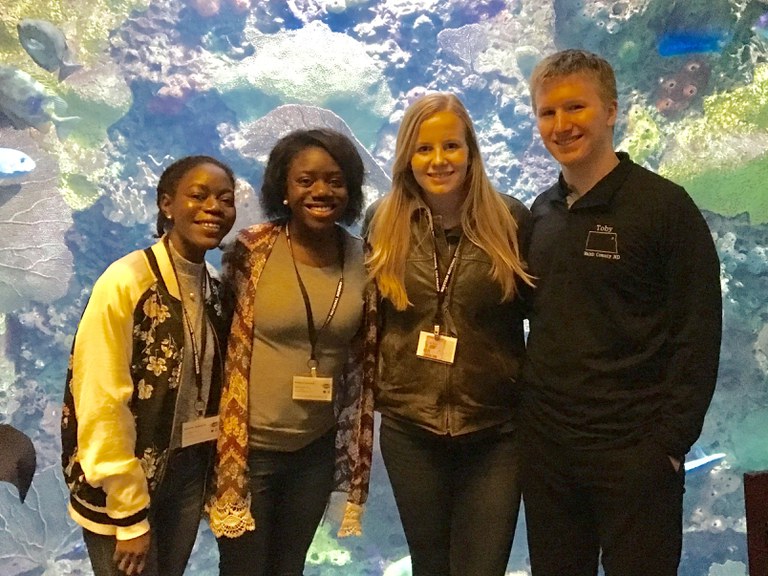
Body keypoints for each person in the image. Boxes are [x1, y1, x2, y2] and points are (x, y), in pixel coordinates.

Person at [520, 49, 722, 576]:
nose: (561, 125)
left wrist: (669, 446)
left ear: (611, 110)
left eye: (575, 108)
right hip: (549, 459)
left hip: (637, 457)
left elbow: (698, 333)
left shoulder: (665, 208)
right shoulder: (540, 214)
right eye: (547, 113)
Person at [364, 92, 534, 576]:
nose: (438, 161)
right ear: (407, 156)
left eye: (451, 147)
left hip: (495, 430)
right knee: (431, 566)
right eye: (424, 149)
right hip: (410, 427)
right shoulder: (383, 222)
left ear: (471, 151)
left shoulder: (510, 220)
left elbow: (541, 317)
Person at [208, 128, 375, 576]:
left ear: (351, 190)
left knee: (289, 569)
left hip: (314, 453)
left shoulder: (365, 260)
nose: (321, 191)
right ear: (283, 187)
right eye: (306, 180)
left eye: (335, 180)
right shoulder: (250, 250)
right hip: (248, 453)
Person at [61, 155, 237, 576]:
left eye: (225, 199)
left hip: (185, 472)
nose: (213, 206)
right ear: (166, 204)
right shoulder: (126, 281)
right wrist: (128, 515)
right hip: (122, 486)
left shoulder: (212, 285)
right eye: (198, 195)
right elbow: (100, 397)